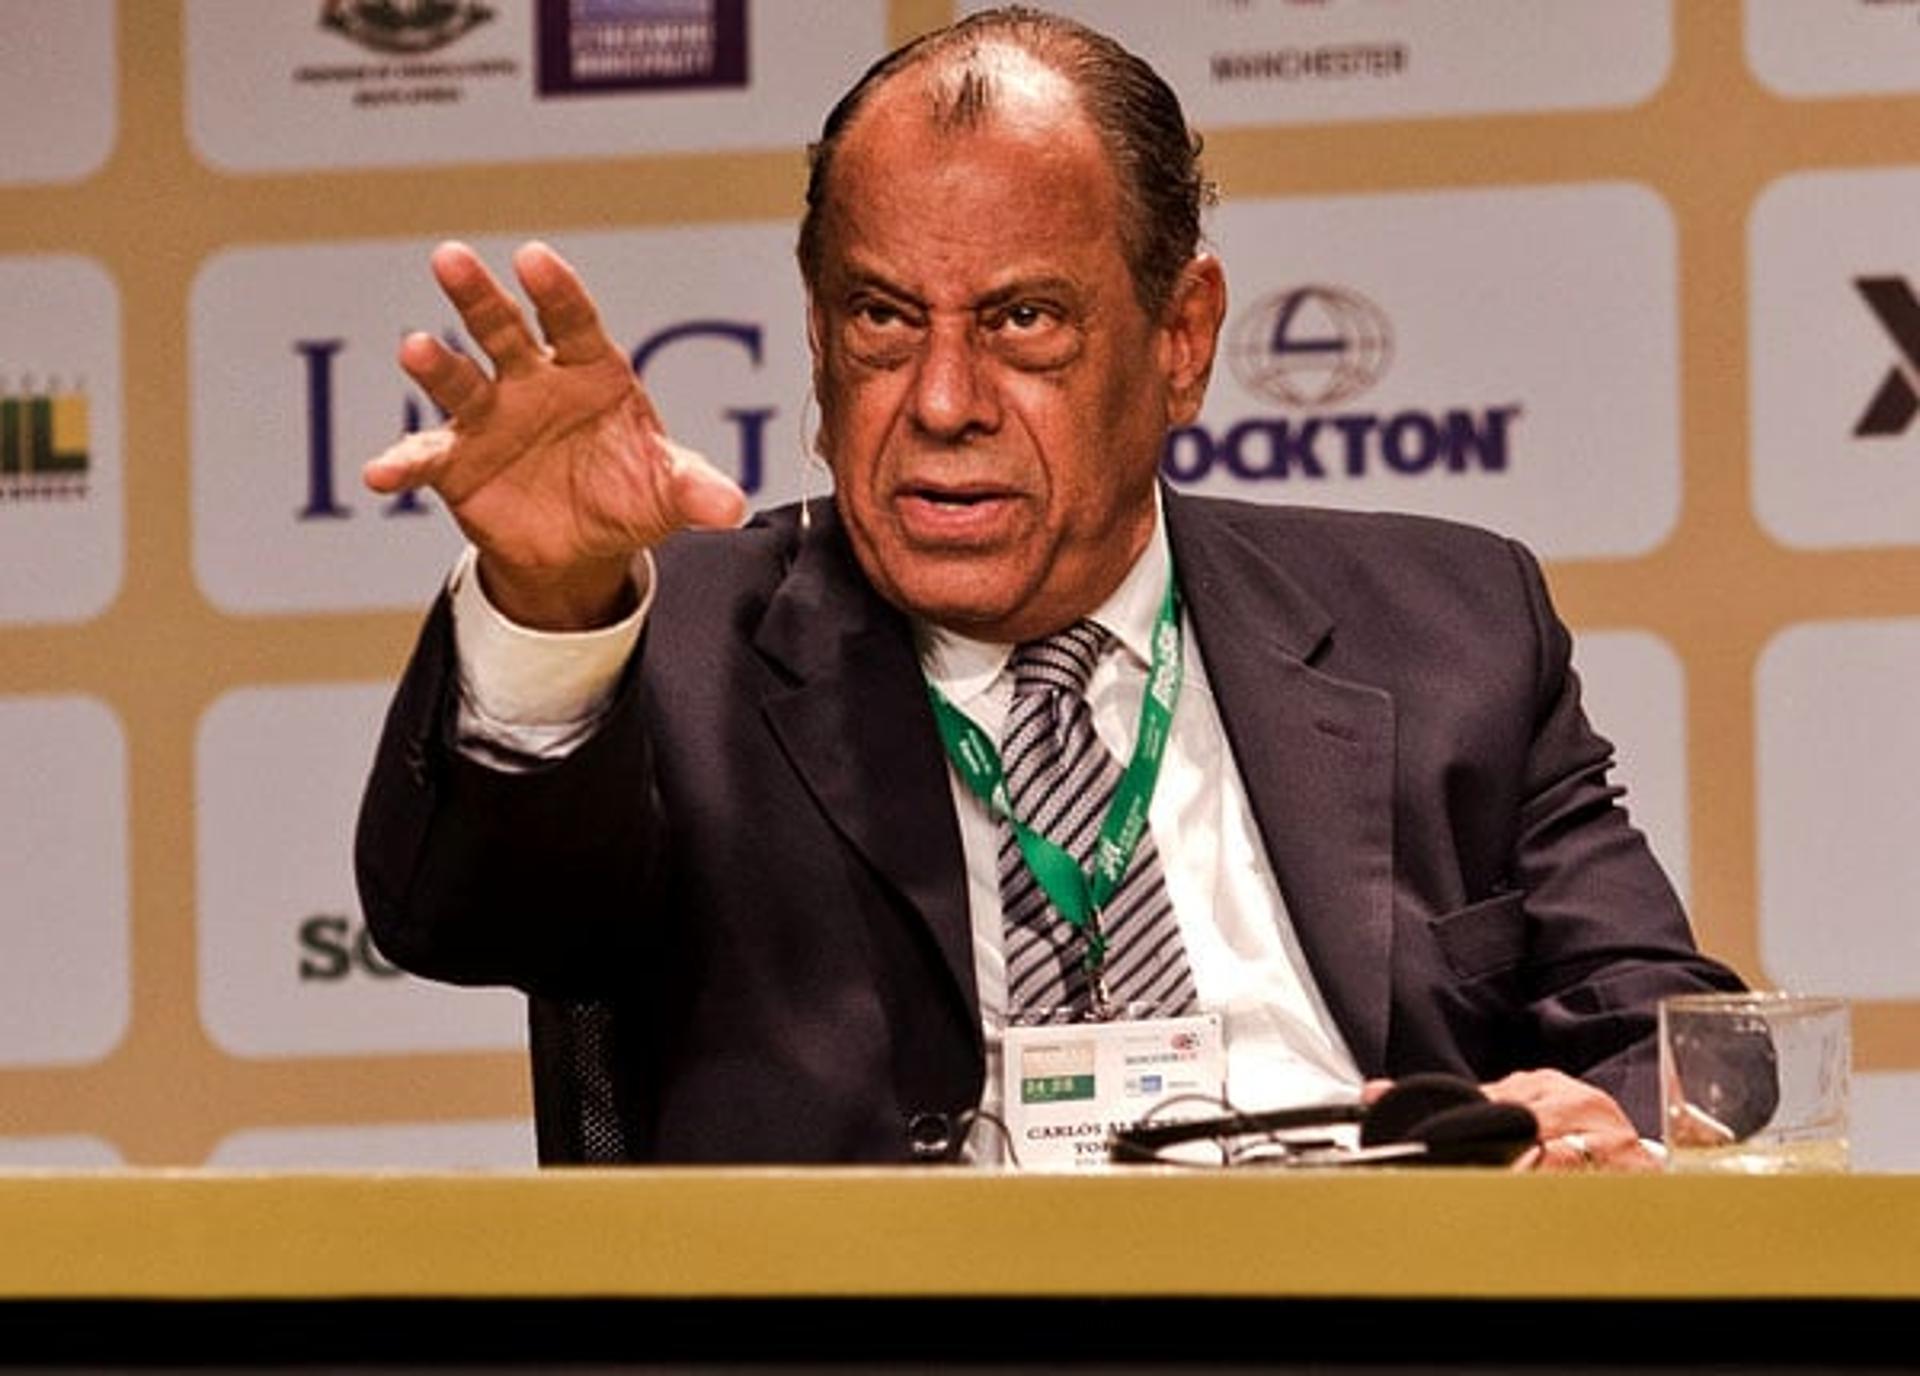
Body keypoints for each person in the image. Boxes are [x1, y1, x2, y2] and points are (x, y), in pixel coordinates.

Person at [354, 6, 1744, 1170]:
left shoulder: (1446, 624)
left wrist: (1600, 1131)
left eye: (1024, 321)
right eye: (884, 319)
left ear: (1182, 340)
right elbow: (468, 917)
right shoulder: (676, 649)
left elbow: (1665, 1031)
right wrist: (546, 601)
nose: (943, 400)